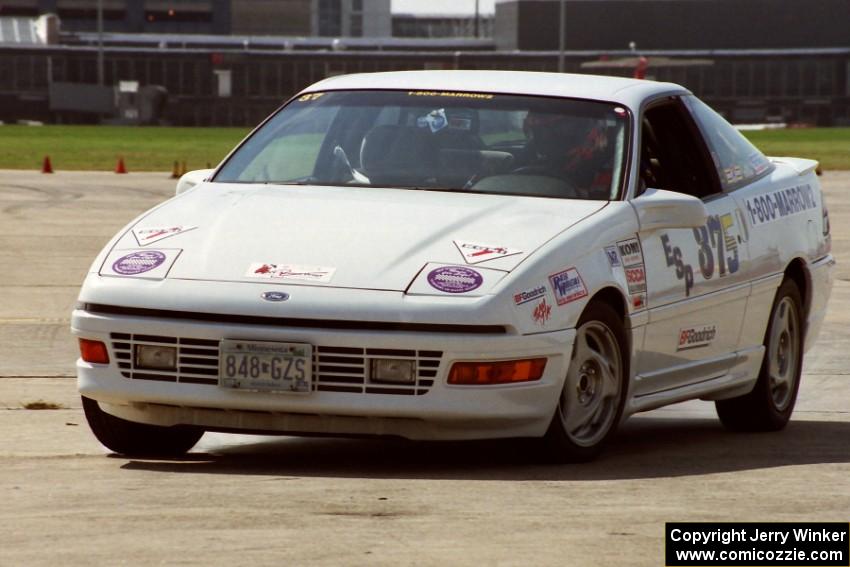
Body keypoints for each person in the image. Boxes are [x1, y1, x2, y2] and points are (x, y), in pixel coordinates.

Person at [521, 111, 614, 199]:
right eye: (537, 128)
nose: (546, 134)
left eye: (558, 126)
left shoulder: (610, 164)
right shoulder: (531, 152)